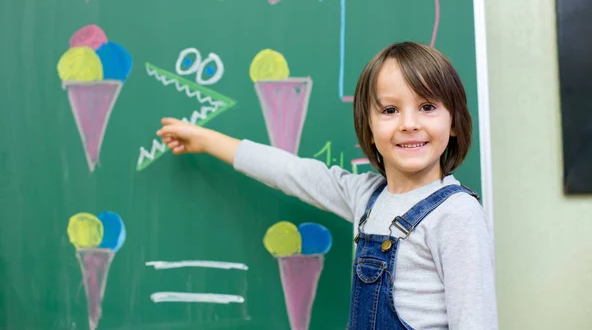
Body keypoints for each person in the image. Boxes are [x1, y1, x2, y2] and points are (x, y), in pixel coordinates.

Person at [156, 41, 498, 329]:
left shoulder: (457, 215)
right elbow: (291, 172)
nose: (409, 124)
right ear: (368, 126)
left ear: (453, 121)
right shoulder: (367, 196)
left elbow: (475, 321)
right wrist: (206, 139)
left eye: (427, 107)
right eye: (390, 110)